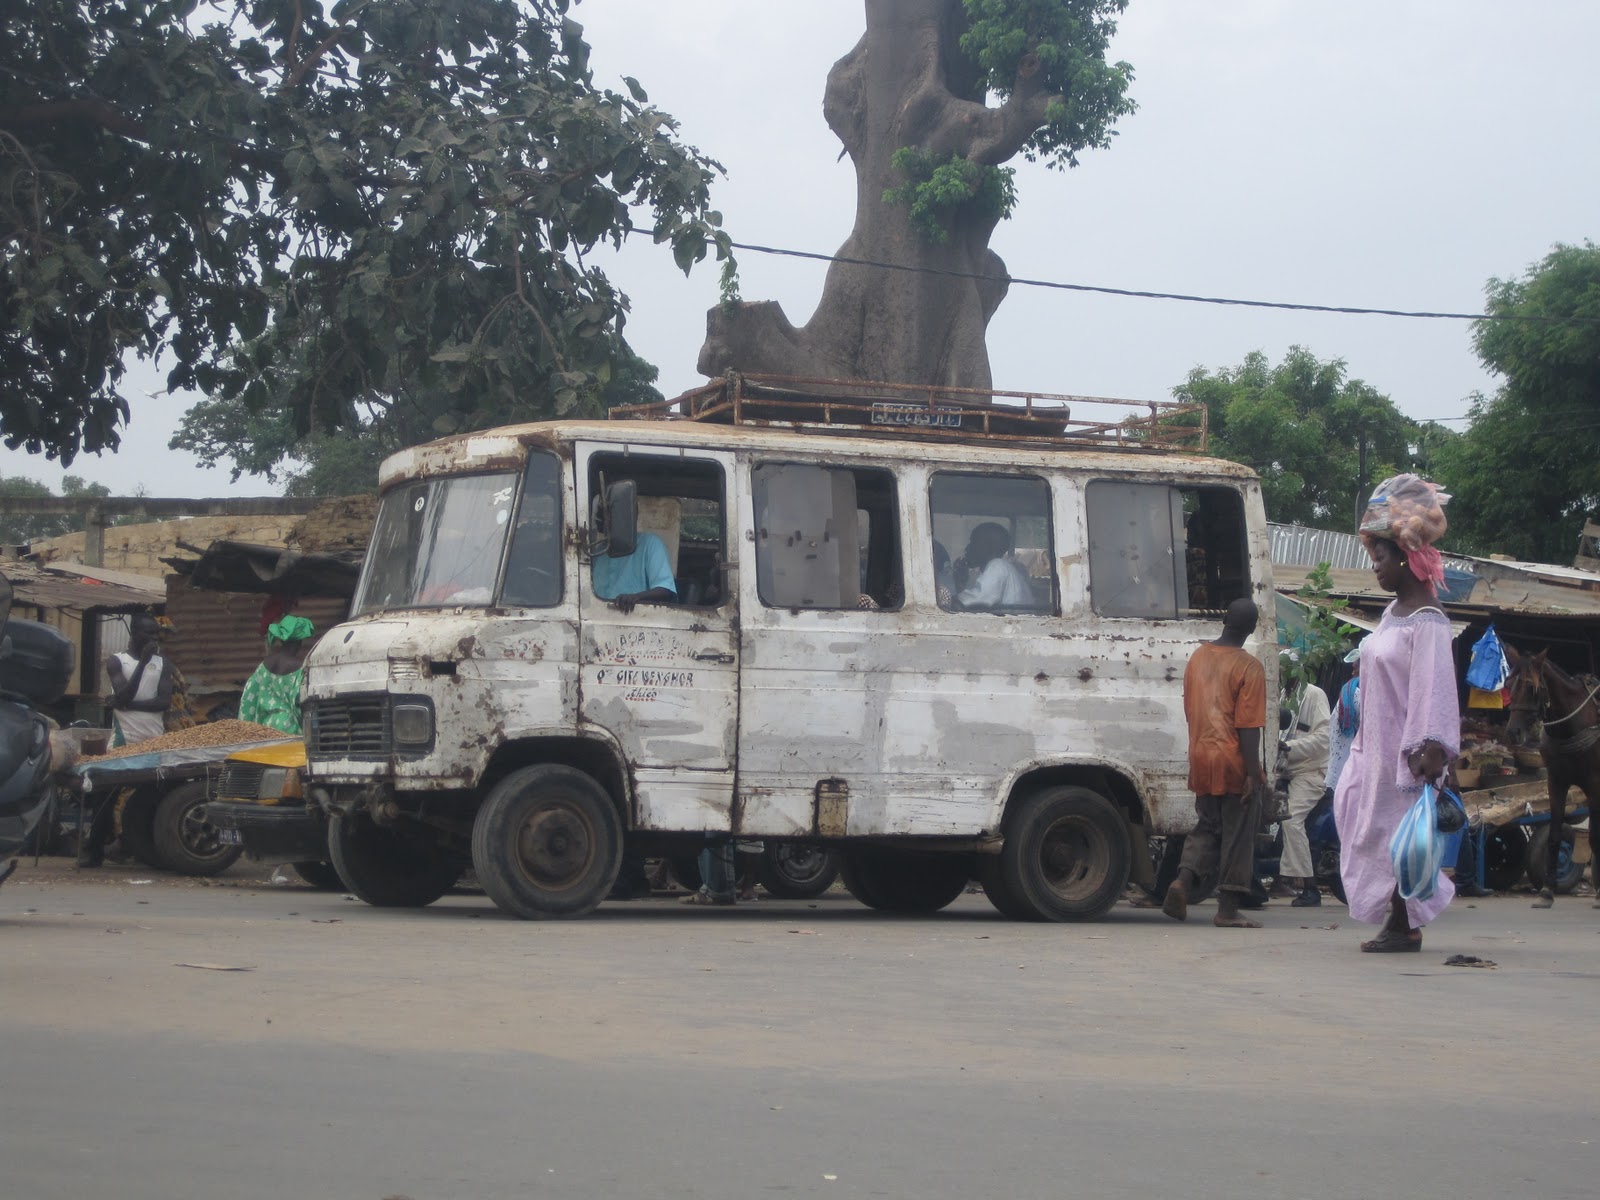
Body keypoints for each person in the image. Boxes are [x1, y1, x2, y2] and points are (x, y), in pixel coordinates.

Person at [1335, 473, 1458, 953]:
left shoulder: (1427, 623)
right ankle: (1397, 917)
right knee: (1362, 827)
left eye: (1380, 558)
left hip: (1406, 755)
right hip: (1373, 750)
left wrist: (1429, 749)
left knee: (1399, 840)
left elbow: (1434, 691)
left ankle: (1404, 924)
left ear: (1406, 557)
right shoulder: (1392, 616)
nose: (1376, 569)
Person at [1163, 597, 1268, 929]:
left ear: (1224, 620)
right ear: (1251, 629)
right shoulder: (1249, 667)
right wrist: (1254, 773)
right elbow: (1248, 726)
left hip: (1201, 755)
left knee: (1207, 827)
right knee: (1238, 833)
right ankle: (1228, 908)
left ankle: (1182, 881)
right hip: (1233, 759)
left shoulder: (1198, 657)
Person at [1274, 678, 1331, 907]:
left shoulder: (1314, 695)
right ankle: (1275, 877)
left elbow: (1324, 738)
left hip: (1310, 771)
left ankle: (1309, 887)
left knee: (1291, 819)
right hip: (1280, 769)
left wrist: (1290, 748)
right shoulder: (1276, 695)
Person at [105, 612, 176, 748]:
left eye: (156, 633)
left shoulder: (163, 662)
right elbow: (125, 696)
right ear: (134, 633)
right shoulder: (116, 660)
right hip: (125, 738)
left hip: (155, 738)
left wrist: (127, 705)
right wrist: (142, 663)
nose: (154, 637)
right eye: (149, 633)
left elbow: (163, 703)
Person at [239, 616, 316, 736]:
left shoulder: (263, 666)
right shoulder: (299, 669)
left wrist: (244, 731)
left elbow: (248, 699)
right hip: (289, 730)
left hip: (265, 729)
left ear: (281, 640)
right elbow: (301, 703)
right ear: (299, 642)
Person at [592, 530, 676, 614]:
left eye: (607, 517)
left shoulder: (650, 543)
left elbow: (664, 591)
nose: (601, 522)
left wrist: (636, 597)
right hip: (596, 616)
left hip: (634, 617)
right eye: (599, 517)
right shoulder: (599, 550)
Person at [953, 522, 1032, 609]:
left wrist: (944, 599)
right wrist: (960, 583)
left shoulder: (998, 566)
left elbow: (970, 604)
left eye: (973, 542)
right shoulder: (1002, 568)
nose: (967, 548)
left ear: (989, 547)